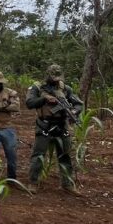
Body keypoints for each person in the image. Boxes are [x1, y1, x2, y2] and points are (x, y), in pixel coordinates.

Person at [25, 64, 83, 196]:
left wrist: (73, 111)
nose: (56, 80)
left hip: (62, 125)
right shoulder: (37, 88)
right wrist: (44, 99)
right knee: (39, 155)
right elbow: (29, 103)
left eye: (58, 77)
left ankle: (67, 183)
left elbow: (79, 104)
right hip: (44, 125)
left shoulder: (65, 89)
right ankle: (33, 182)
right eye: (53, 77)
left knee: (65, 155)